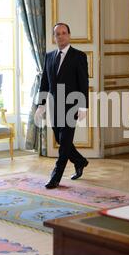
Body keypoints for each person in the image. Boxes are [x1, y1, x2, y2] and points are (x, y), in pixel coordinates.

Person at [36, 23, 89, 189]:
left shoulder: (79, 56)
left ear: (69, 35)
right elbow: (45, 82)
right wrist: (41, 104)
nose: (61, 36)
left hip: (72, 105)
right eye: (57, 34)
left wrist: (83, 106)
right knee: (60, 139)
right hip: (54, 106)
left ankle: (55, 177)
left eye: (64, 33)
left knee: (65, 143)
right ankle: (80, 161)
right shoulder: (49, 56)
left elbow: (83, 82)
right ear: (54, 37)